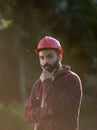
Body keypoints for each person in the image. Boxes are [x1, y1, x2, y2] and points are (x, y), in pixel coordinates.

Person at [24, 36, 83, 130]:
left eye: (49, 56)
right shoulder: (39, 84)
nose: (45, 61)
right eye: (42, 58)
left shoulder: (71, 79)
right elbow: (27, 114)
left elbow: (55, 107)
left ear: (60, 56)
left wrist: (47, 81)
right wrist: (46, 112)